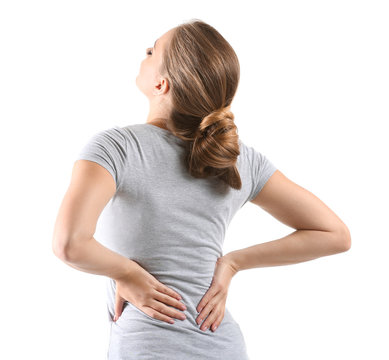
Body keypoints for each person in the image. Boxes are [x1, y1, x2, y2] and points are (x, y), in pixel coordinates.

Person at [52, 19, 351, 360]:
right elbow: (334, 233)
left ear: (161, 84)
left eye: (152, 51)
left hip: (150, 346)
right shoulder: (238, 160)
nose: (144, 55)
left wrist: (127, 273)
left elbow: (70, 244)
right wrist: (233, 264)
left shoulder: (117, 148)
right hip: (222, 344)